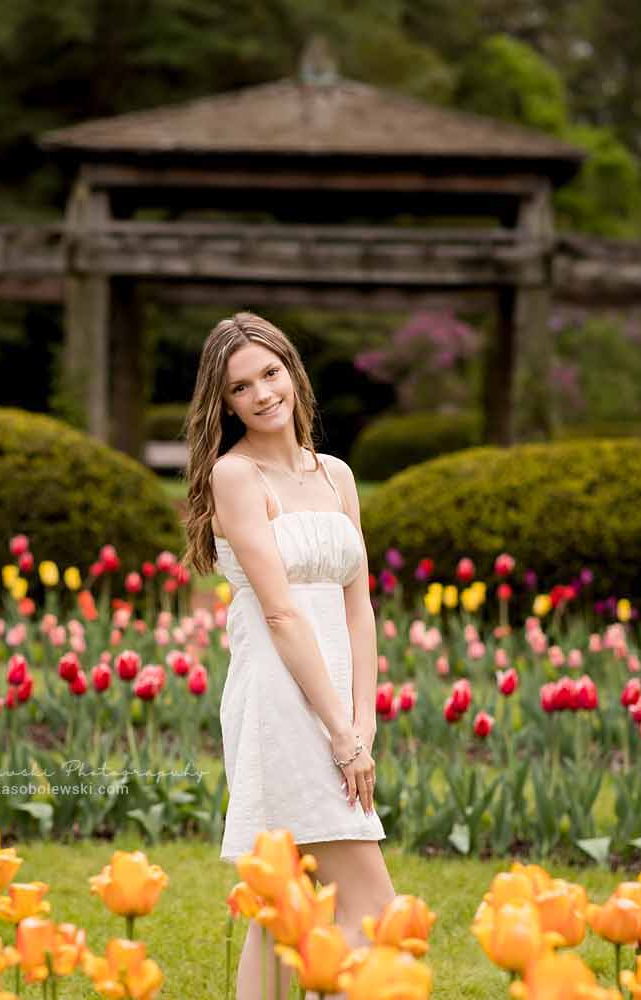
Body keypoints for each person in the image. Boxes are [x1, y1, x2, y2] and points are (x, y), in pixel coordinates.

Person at [180, 312, 395, 998]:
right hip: (282, 697)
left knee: (284, 906)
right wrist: (338, 733)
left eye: (271, 373)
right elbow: (280, 612)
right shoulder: (236, 476)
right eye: (242, 386)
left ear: (292, 373)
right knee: (372, 912)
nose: (263, 393)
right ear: (226, 402)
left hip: (338, 703)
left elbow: (358, 606)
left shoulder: (337, 475)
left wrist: (364, 717)